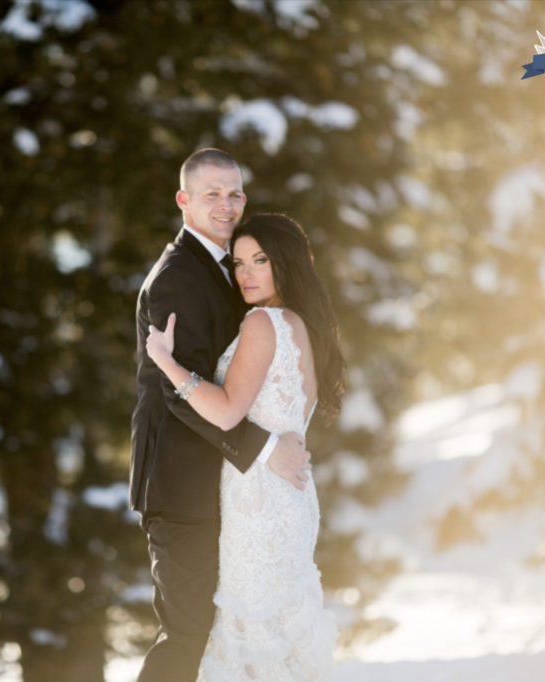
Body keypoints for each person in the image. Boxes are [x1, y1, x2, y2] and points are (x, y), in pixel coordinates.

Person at [130, 149, 312, 682]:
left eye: (234, 193)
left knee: (222, 637)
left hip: (226, 486)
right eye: (212, 193)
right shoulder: (177, 277)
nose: (226, 205)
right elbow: (177, 395)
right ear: (184, 200)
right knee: (188, 633)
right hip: (181, 483)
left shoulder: (229, 268)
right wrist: (265, 448)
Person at [145, 212, 345, 681]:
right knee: (281, 641)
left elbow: (229, 410)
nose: (247, 273)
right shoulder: (305, 325)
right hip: (289, 499)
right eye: (238, 263)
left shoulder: (262, 322)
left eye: (260, 260)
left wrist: (167, 363)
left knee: (252, 646)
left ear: (286, 263)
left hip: (259, 505)